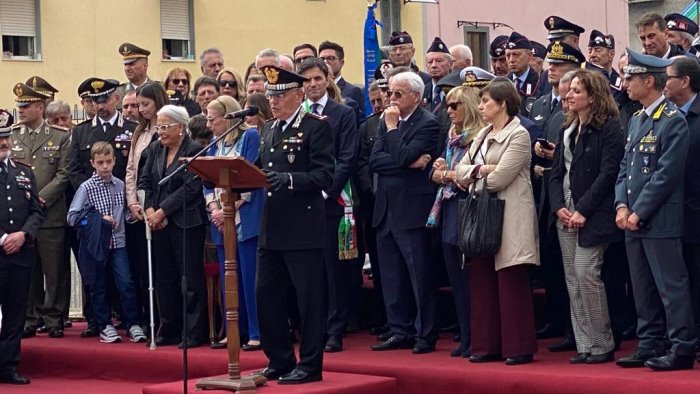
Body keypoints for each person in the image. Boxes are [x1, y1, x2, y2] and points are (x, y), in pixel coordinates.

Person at [250, 65, 333, 384]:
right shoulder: (268, 129)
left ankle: (310, 364)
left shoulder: (315, 127)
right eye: (270, 95)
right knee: (266, 295)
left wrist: (288, 179)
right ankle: (279, 359)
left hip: (302, 227)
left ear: (299, 96)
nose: (273, 100)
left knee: (308, 300)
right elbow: (257, 171)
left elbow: (325, 175)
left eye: (280, 95)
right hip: (272, 227)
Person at [615, 48, 696, 371]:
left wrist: (639, 212)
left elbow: (665, 175)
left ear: (650, 81)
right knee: (642, 286)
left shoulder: (672, 121)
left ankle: (682, 346)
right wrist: (622, 204)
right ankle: (649, 342)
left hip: (658, 218)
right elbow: (625, 168)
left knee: (670, 287)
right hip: (633, 217)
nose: (626, 84)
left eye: (631, 78)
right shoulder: (637, 120)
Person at [455, 77, 539, 365]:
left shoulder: (519, 134)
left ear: (503, 104)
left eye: (486, 101)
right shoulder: (482, 134)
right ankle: (486, 344)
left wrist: (475, 173)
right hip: (483, 214)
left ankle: (517, 347)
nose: (480, 106)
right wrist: (483, 169)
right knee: (482, 278)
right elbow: (459, 171)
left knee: (510, 278)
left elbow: (501, 178)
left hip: (511, 214)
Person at [549, 69, 624, 364]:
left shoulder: (609, 127)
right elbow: (556, 172)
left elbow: (608, 174)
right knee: (572, 279)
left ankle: (602, 342)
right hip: (565, 209)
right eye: (570, 91)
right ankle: (585, 345)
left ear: (592, 97)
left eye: (577, 91)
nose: (569, 95)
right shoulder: (567, 128)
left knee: (586, 272)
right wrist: (558, 207)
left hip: (594, 211)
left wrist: (583, 210)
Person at [369, 71, 439, 354]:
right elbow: (374, 160)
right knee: (391, 275)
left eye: (398, 94)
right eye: (390, 93)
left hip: (412, 209)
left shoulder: (427, 123)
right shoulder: (386, 122)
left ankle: (425, 332)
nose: (391, 99)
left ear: (416, 97)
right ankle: (399, 329)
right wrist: (407, 162)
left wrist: (395, 134)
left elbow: (400, 155)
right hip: (386, 208)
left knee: (419, 275)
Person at [297, 58, 358, 353]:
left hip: (330, 200)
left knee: (332, 270)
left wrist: (324, 192)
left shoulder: (342, 113)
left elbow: (346, 158)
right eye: (306, 80)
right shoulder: (298, 114)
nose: (312, 85)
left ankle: (335, 328)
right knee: (309, 270)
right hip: (301, 201)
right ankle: (313, 327)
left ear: (328, 79)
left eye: (317, 79)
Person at [428, 70, 488, 358]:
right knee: (455, 280)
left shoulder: (478, 138)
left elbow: (467, 178)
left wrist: (446, 173)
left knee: (470, 281)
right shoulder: (453, 138)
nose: (449, 111)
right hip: (449, 210)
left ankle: (477, 336)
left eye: (455, 105)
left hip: (469, 209)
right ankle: (465, 335)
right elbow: (437, 174)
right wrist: (445, 172)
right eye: (448, 105)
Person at [138, 105, 208, 348]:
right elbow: (145, 181)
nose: (161, 131)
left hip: (186, 221)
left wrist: (163, 210)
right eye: (158, 126)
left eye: (165, 126)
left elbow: (190, 187)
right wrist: (149, 210)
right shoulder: (156, 149)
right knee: (163, 278)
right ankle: (169, 328)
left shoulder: (195, 149)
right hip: (157, 222)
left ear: (181, 127)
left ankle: (193, 331)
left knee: (189, 277)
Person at [529, 41, 585, 346]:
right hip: (548, 197)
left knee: (579, 273)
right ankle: (556, 319)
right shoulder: (543, 107)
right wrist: (539, 157)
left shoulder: (588, 112)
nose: (550, 69)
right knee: (552, 265)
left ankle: (577, 330)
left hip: (575, 200)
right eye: (549, 64)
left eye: (558, 65)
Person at [67, 142, 146, 344]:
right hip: (96, 246)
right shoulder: (86, 188)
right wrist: (98, 220)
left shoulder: (120, 185)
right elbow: (72, 218)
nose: (105, 166)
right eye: (100, 162)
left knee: (126, 283)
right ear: (92, 163)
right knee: (98, 285)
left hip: (118, 242)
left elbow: (126, 213)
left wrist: (132, 214)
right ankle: (104, 324)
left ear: (114, 161)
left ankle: (133, 323)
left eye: (108, 162)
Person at [10, 83, 70, 340]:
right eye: (19, 106)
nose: (21, 110)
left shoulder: (60, 136)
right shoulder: (12, 135)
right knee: (28, 270)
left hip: (50, 214)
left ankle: (54, 317)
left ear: (40, 107)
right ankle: (31, 316)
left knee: (54, 270)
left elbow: (63, 174)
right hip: (24, 218)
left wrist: (39, 199)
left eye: (26, 106)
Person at [204, 96, 264, 351]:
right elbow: (206, 182)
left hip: (245, 216)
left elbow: (252, 174)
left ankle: (255, 332)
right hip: (221, 221)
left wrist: (230, 207)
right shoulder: (213, 144)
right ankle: (233, 332)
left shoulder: (249, 137)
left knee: (249, 277)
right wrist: (215, 209)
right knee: (231, 279)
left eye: (212, 119)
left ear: (228, 116)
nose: (208, 125)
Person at [0, 126, 45, 386]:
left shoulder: (24, 172)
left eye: (5, 137)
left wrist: (23, 235)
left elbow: (36, 210)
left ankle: (7, 367)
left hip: (19, 253)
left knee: (16, 313)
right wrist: (3, 238)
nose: (3, 142)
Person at [124, 82, 169, 325]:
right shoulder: (139, 132)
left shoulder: (165, 130)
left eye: (145, 104)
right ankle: (146, 316)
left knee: (162, 267)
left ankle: (164, 318)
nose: (141, 110)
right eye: (138, 105)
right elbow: (131, 169)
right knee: (143, 266)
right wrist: (132, 202)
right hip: (141, 205)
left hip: (161, 203)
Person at [664, 56, 700, 346]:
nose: (664, 83)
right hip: (673, 214)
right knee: (681, 280)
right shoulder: (666, 115)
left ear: (685, 81)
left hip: (696, 211)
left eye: (669, 77)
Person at [319, 40, 365, 118]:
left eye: (331, 58)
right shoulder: (315, 89)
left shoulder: (353, 91)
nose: (325, 62)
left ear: (341, 63)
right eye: (322, 59)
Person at [506, 32, 541, 116]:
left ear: (529, 56)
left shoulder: (540, 83)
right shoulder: (503, 83)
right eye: (508, 56)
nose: (511, 60)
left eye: (516, 55)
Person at [422, 37, 453, 112]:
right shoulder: (422, 91)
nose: (434, 65)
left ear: (450, 64)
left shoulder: (456, 89)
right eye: (430, 62)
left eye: (439, 61)